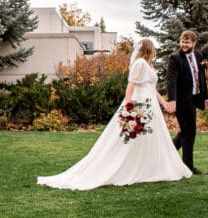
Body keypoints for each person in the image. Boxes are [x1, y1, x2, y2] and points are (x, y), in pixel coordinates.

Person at [37, 38, 192, 190]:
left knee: (149, 138)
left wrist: (164, 103)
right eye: (153, 49)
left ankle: (148, 169)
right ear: (149, 50)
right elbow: (131, 85)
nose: (154, 52)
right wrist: (129, 106)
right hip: (140, 104)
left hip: (150, 106)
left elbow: (152, 88)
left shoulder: (148, 65)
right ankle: (124, 167)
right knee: (131, 138)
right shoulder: (139, 64)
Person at [163, 30, 208, 175]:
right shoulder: (175, 58)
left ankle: (164, 156)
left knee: (186, 132)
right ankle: (188, 166)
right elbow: (171, 80)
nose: (183, 45)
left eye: (187, 42)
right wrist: (172, 100)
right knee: (188, 132)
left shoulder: (199, 55)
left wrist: (205, 97)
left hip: (195, 98)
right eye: (182, 42)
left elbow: (202, 77)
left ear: (194, 43)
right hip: (182, 101)